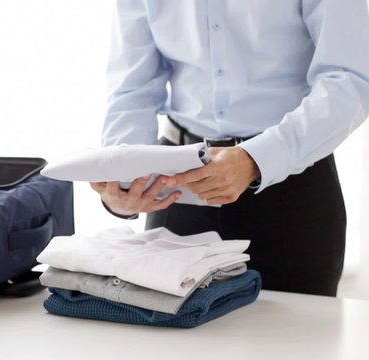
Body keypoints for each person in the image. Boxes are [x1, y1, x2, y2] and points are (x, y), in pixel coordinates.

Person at [91, 0, 369, 297]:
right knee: (170, 338)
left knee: (295, 337)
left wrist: (255, 159)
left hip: (292, 190)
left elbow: (349, 82)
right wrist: (123, 178)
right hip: (179, 189)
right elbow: (132, 89)